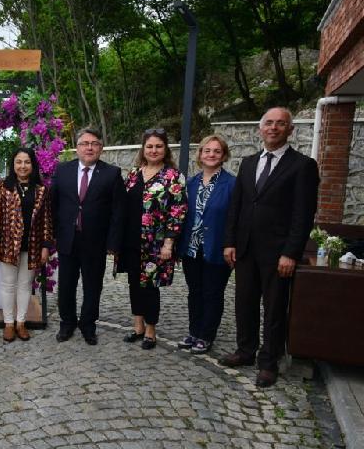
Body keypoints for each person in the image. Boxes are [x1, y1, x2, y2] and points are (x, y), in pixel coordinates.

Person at [221, 107, 319, 387]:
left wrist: (291, 252)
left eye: (280, 124)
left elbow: (303, 214)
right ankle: (245, 351)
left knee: (275, 308)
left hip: (278, 253)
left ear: (290, 130)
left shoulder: (302, 166)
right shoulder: (249, 162)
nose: (273, 128)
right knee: (244, 303)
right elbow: (237, 206)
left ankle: (269, 362)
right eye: (269, 123)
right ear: (260, 129)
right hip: (246, 249)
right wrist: (230, 242)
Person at [50, 126, 124, 345]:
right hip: (68, 239)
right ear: (77, 147)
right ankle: (67, 323)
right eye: (85, 143)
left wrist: (113, 242)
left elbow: (118, 212)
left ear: (101, 148)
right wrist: (54, 235)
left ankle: (88, 325)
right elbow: (53, 205)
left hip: (96, 242)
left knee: (93, 286)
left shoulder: (112, 173)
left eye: (94, 144)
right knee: (66, 285)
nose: (89, 147)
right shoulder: (62, 170)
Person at [120, 128, 187, 350]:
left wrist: (169, 242)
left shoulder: (173, 177)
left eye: (158, 146)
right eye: (149, 146)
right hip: (130, 240)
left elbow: (178, 211)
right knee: (133, 283)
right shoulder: (133, 174)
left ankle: (150, 329)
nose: (153, 150)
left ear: (165, 149)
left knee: (150, 286)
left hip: (156, 242)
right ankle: (137, 325)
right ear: (143, 149)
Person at [177, 135, 236, 354]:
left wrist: (232, 244)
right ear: (200, 154)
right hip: (191, 248)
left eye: (217, 151)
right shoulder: (190, 183)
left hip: (217, 248)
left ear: (224, 155)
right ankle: (194, 331)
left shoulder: (231, 184)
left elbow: (235, 218)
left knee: (213, 292)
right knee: (195, 292)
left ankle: (206, 335)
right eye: (207, 151)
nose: (211, 155)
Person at [0, 147, 53, 342]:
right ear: (13, 165)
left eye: (26, 162)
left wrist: (45, 246)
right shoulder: (3, 186)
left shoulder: (41, 189)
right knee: (8, 285)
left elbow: (46, 220)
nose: (23, 166)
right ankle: (8, 324)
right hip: (8, 244)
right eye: (19, 162)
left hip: (32, 245)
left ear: (32, 165)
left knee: (25, 286)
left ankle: (21, 323)